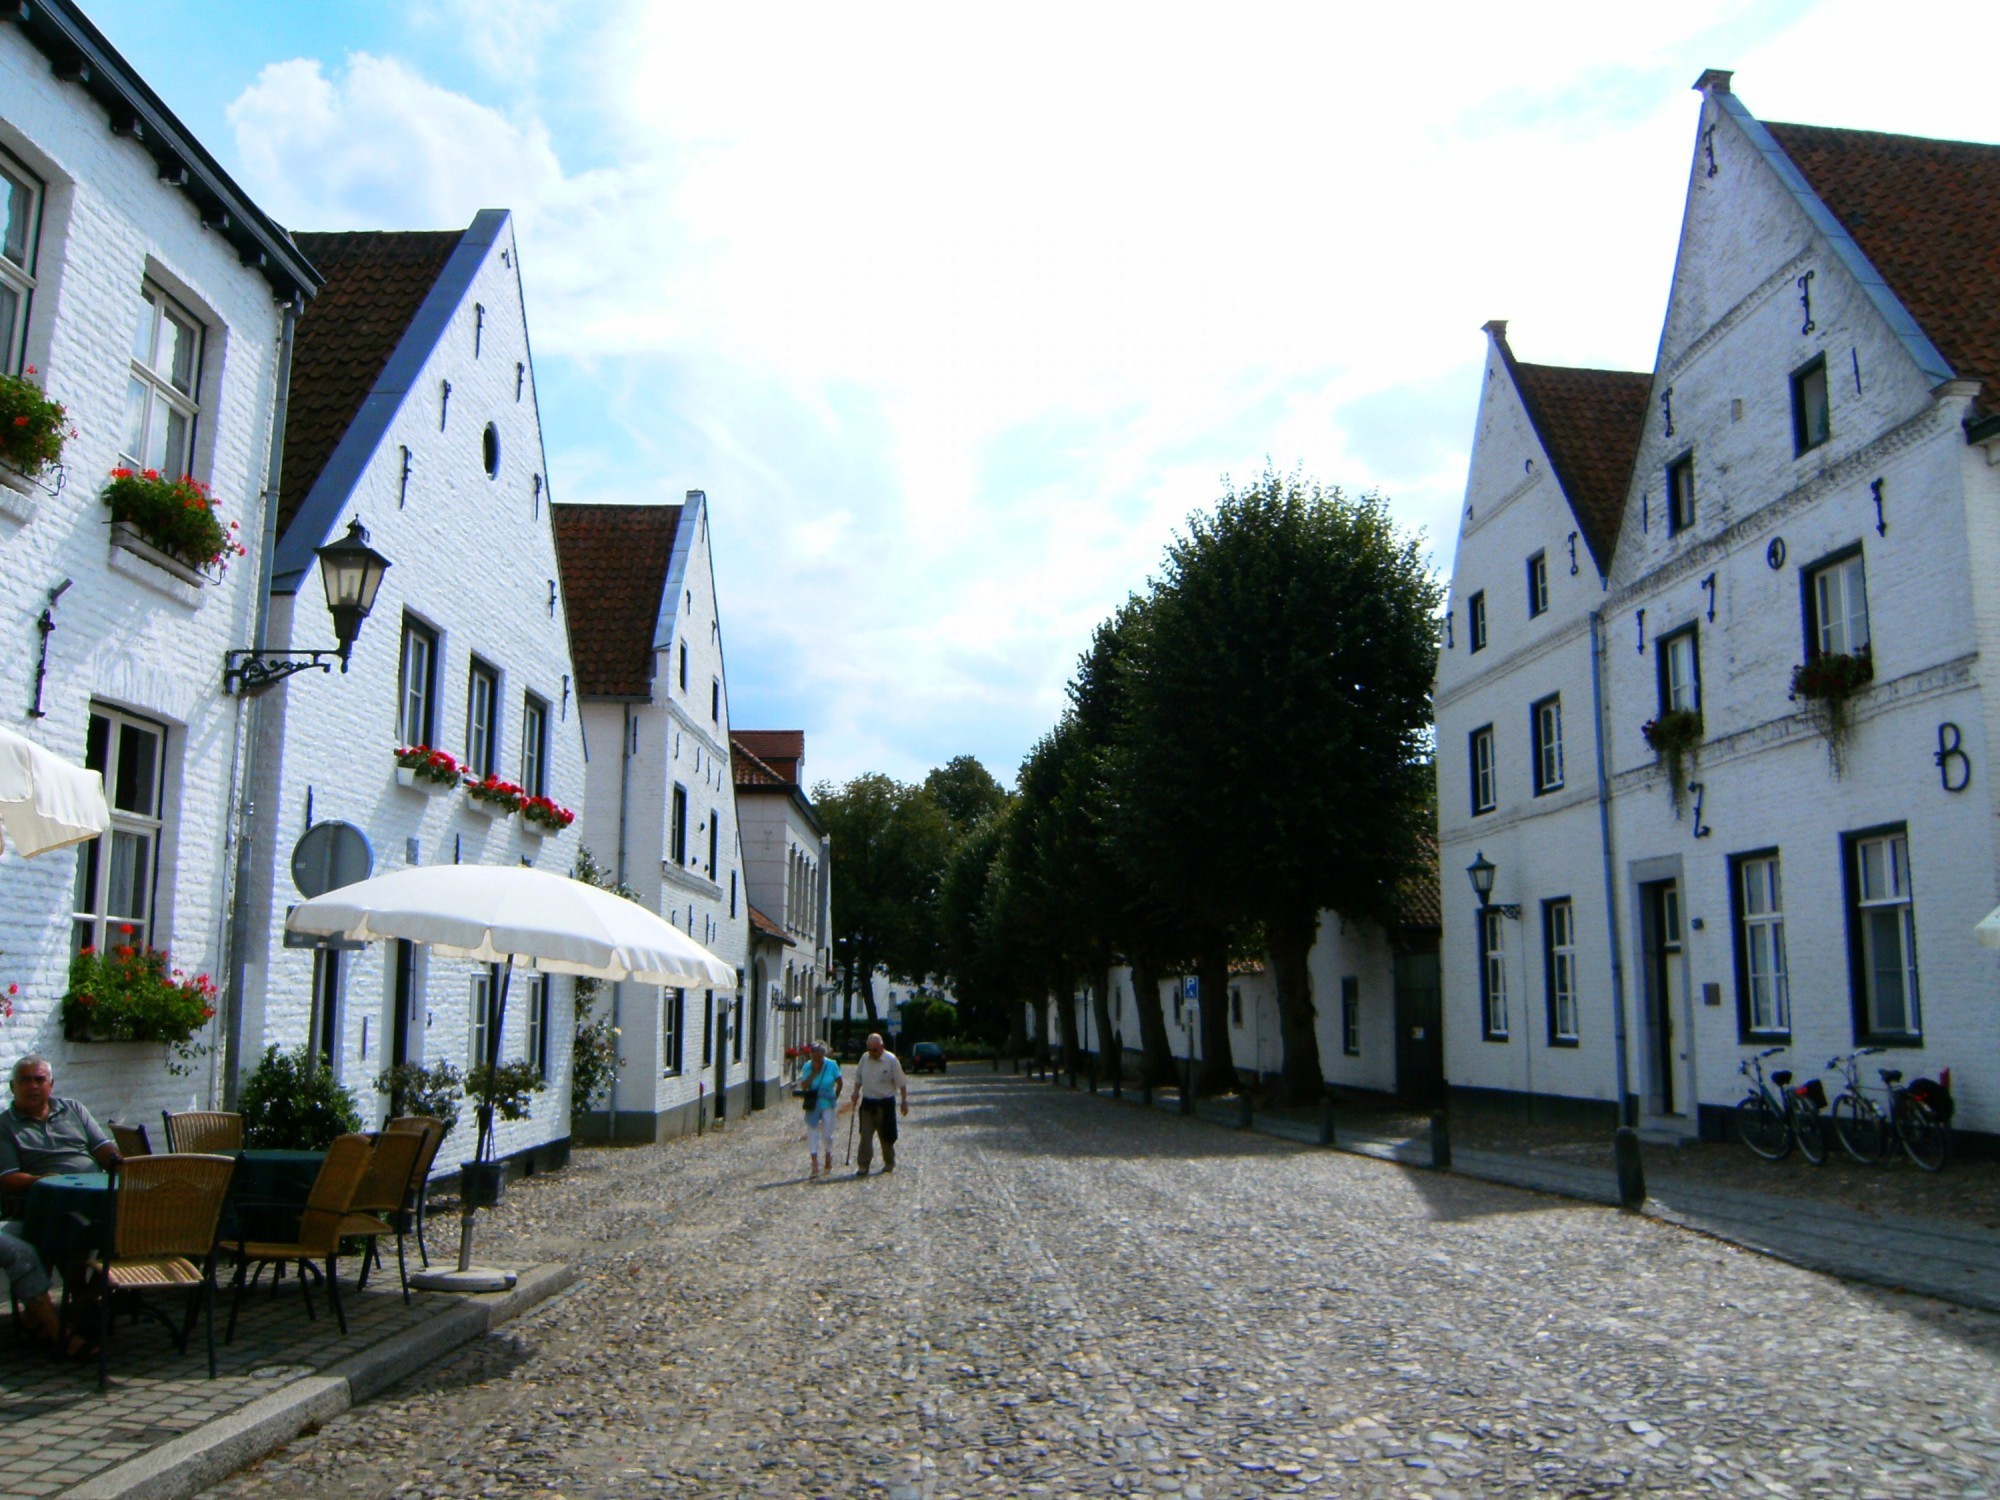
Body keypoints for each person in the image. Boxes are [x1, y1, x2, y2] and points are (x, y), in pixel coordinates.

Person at [0, 1054, 120, 1196]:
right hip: (50, 1196)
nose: (33, 1086)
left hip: (96, 1188)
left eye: (40, 1080)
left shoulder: (73, 1109)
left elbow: (103, 1149)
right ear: (13, 1087)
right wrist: (40, 1181)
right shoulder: (5, 1125)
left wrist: (127, 1168)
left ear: (51, 1085)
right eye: (25, 1080)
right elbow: (7, 1179)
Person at [849, 1032, 909, 1178]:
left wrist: (904, 1101)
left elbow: (901, 1082)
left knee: (886, 1136)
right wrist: (855, 1092)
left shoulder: (891, 1060)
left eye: (875, 1050)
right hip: (868, 1104)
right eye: (869, 1049)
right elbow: (858, 1078)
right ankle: (863, 1165)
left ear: (882, 1046)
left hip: (885, 1104)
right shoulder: (865, 1058)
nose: (872, 1053)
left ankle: (889, 1162)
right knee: (865, 1136)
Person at [797, 1040, 843, 1181]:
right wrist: (813, 1073)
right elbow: (804, 1086)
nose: (817, 1059)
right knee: (812, 1131)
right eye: (814, 1056)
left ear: (824, 1054)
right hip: (813, 1103)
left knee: (828, 1133)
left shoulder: (832, 1065)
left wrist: (835, 1096)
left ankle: (828, 1153)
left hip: (827, 1102)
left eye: (819, 1056)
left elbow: (839, 1082)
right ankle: (814, 1163)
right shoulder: (807, 1066)